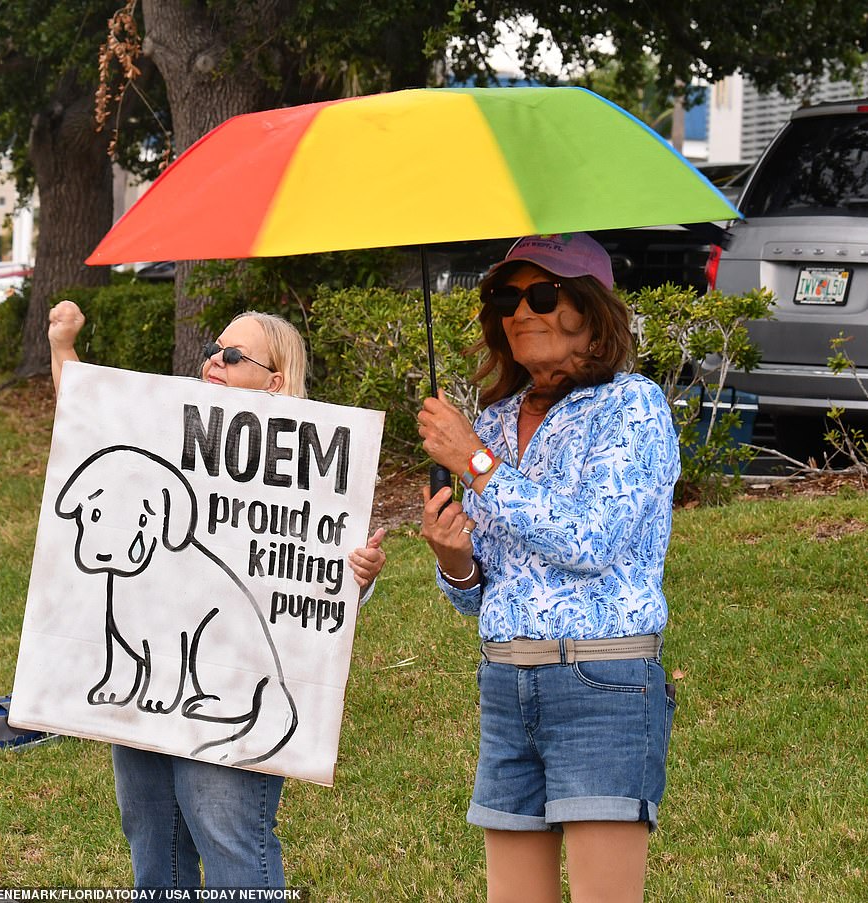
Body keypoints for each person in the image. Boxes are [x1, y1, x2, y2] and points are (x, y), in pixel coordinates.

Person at [48, 299, 386, 889]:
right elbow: (87, 422)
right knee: (152, 834)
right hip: (147, 688)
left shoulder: (312, 464)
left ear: (275, 380)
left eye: (232, 355)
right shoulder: (168, 424)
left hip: (229, 685)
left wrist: (360, 573)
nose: (214, 361)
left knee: (224, 832)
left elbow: (309, 593)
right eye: (213, 349)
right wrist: (63, 346)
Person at [417, 233, 680, 903]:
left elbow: (591, 538)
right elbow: (487, 589)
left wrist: (473, 461)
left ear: (592, 315)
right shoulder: (498, 420)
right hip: (506, 685)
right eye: (507, 296)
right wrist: (455, 559)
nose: (521, 310)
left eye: (542, 292)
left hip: (603, 681)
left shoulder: (633, 406)